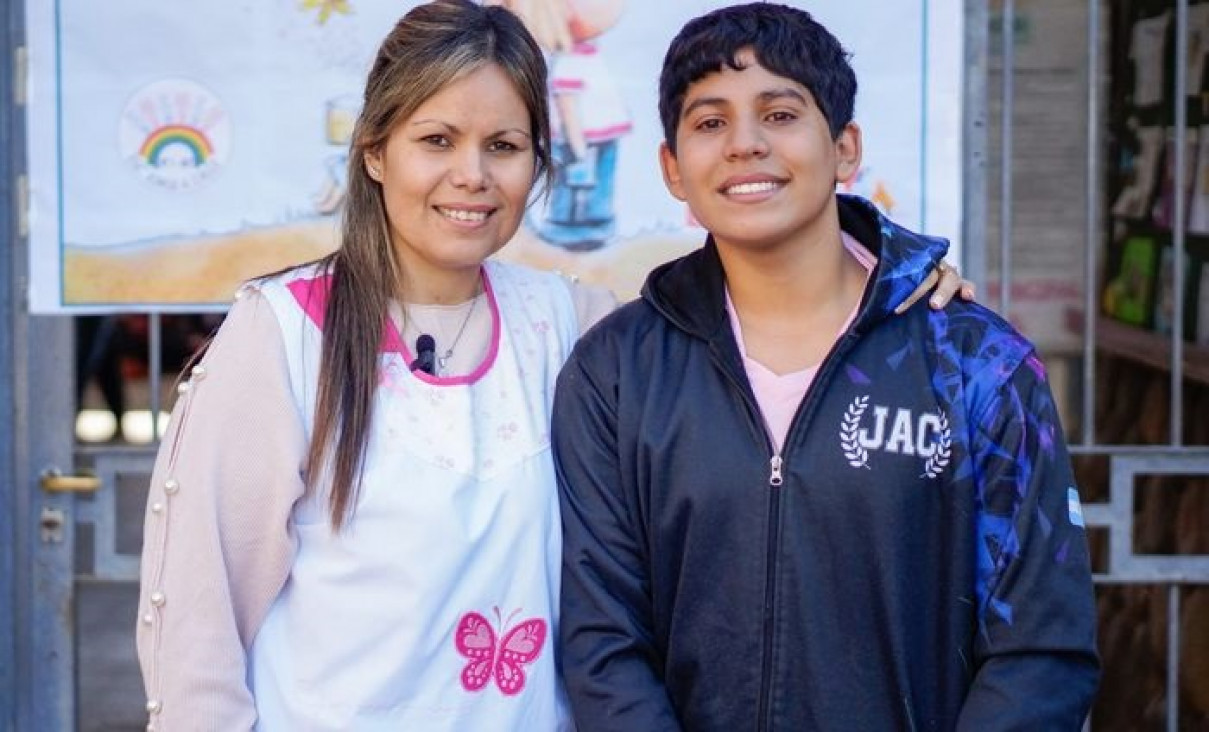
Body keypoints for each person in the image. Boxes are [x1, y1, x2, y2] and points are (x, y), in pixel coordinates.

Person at [135, 1, 969, 729]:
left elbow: (767, 298)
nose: (472, 175)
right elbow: (197, 631)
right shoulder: (283, 335)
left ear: (539, 162)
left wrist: (895, 274)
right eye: (436, 139)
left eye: (503, 144)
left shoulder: (570, 326)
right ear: (375, 152)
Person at [552, 4, 1100, 731]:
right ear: (671, 168)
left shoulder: (973, 363)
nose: (744, 145)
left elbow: (1040, 646)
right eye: (710, 123)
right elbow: (603, 640)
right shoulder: (617, 371)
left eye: (779, 115)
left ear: (844, 149)